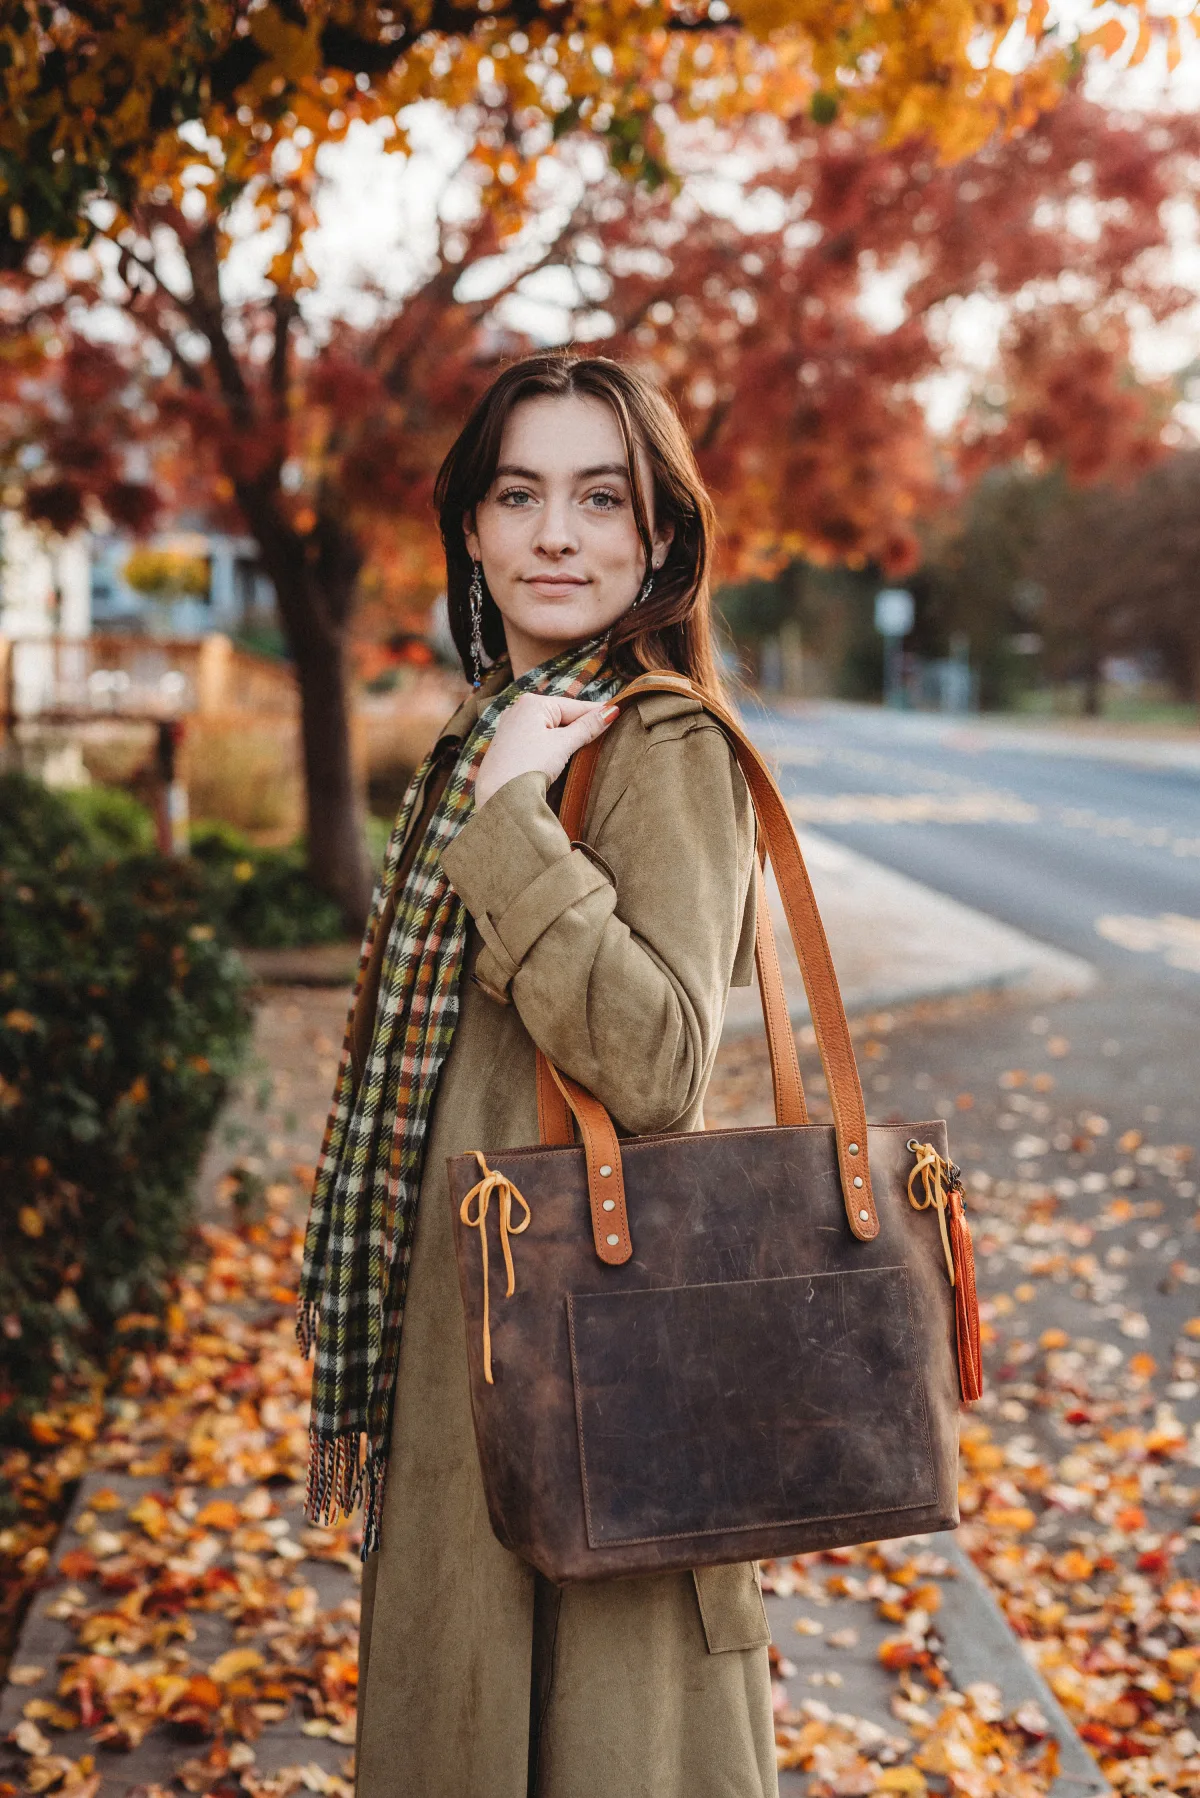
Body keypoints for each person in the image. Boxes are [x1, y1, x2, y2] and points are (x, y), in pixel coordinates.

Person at [298, 352, 778, 1798]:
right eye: (519, 494)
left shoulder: (662, 743)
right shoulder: (488, 738)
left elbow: (660, 1065)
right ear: (474, 527)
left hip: (591, 1364)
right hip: (478, 1347)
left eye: (598, 496)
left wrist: (516, 820)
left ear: (657, 538)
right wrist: (500, 786)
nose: (556, 534)